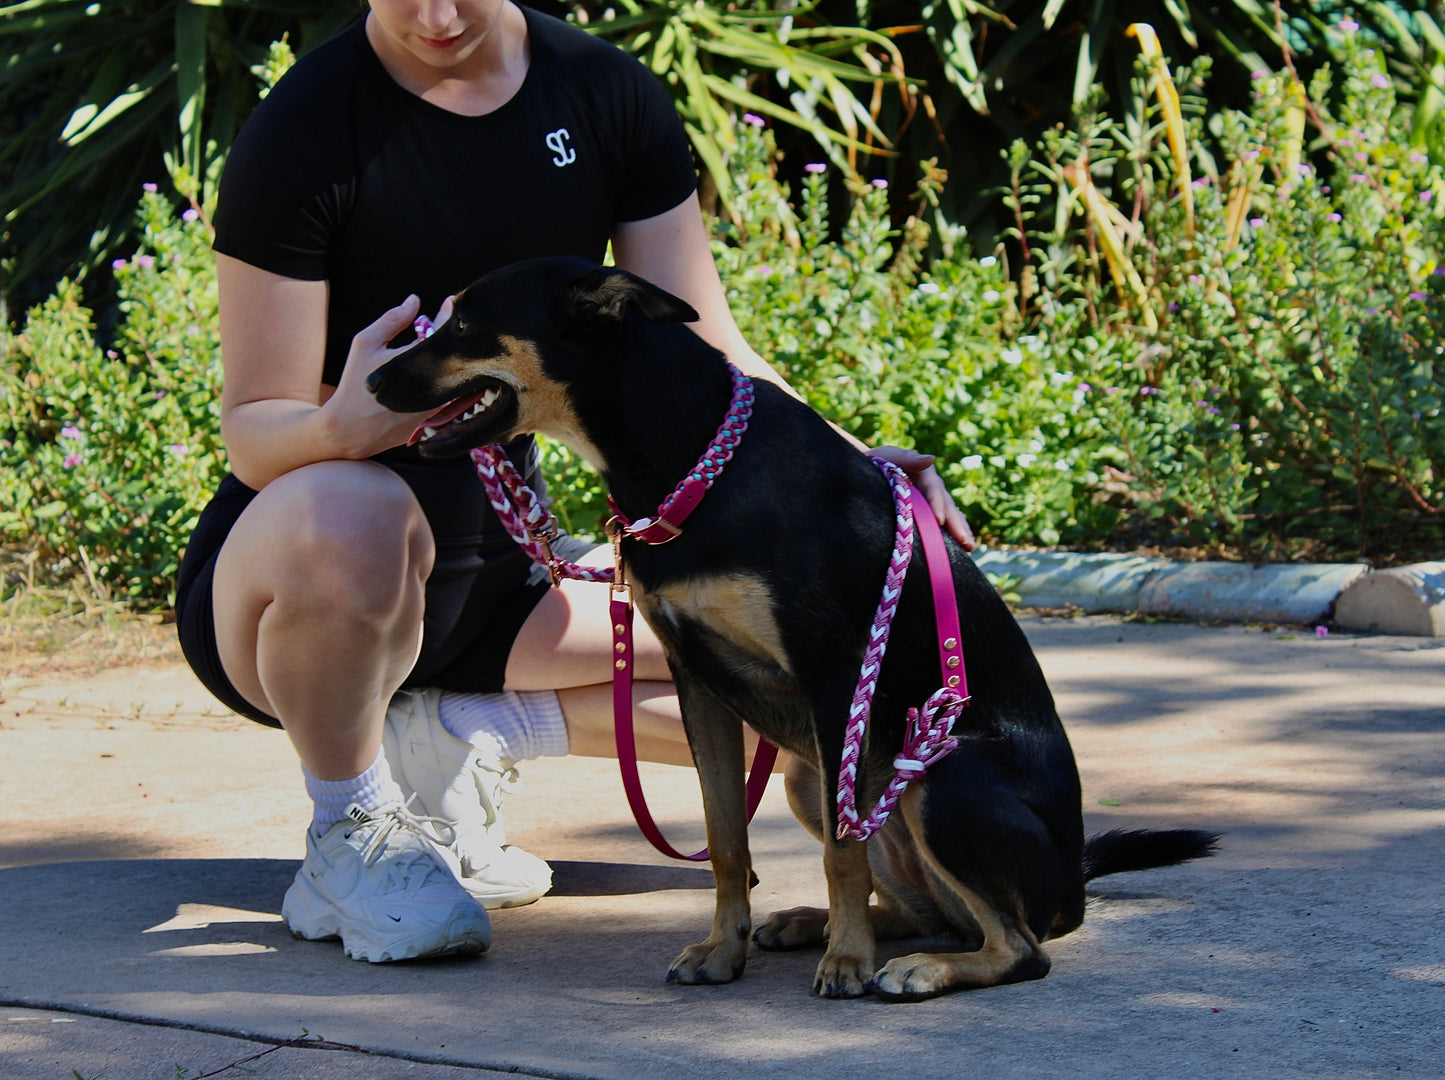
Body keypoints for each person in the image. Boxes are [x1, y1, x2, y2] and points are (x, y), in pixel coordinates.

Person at [176, 0, 974, 964]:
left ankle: (457, 728)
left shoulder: (601, 93)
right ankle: (350, 829)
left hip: (498, 579)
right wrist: (345, 425)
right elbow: (252, 435)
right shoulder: (304, 128)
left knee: (830, 655)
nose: (436, 16)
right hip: (300, 576)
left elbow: (706, 346)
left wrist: (859, 474)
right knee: (358, 506)